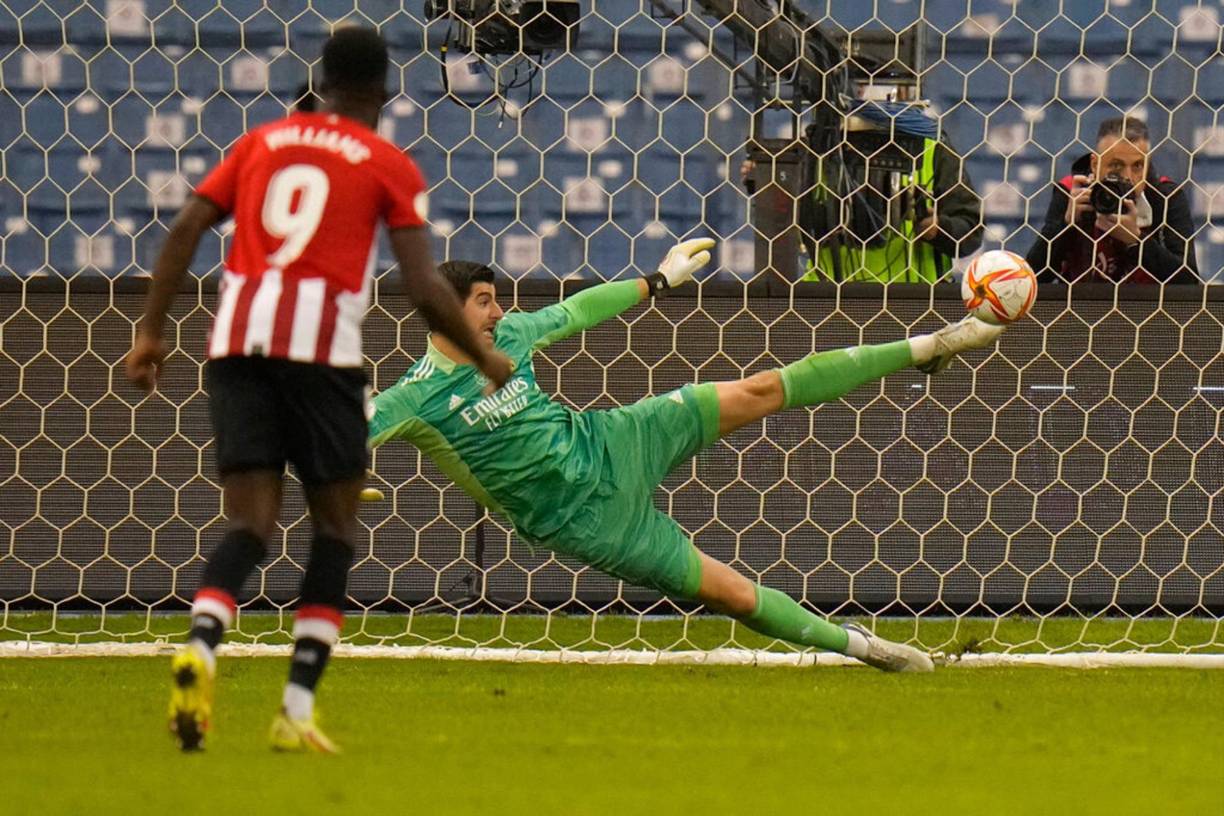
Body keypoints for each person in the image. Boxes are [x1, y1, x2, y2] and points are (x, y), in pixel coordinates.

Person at [125, 26, 512, 754]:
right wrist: (484, 360)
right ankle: (296, 707)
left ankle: (201, 648)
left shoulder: (259, 144)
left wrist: (150, 331)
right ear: (384, 94)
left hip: (236, 347)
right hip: (320, 357)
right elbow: (426, 288)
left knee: (248, 526)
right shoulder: (387, 162)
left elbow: (185, 227)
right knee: (332, 530)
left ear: (319, 82)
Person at [364, 239, 1008, 673]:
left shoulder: (509, 335)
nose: (500, 312)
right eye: (484, 302)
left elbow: (577, 309)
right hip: (586, 522)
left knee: (760, 389)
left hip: (615, 439)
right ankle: (868, 648)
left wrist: (657, 280)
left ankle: (932, 346)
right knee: (731, 594)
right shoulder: (414, 398)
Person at [1024, 116, 1199, 284]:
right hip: (1081, 310)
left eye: (1138, 166)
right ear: (1095, 164)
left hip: (1146, 312)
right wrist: (1066, 226)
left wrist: (1136, 241)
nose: (1128, 177)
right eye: (1116, 166)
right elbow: (1033, 277)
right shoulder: (1072, 192)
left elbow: (1189, 281)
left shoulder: (1165, 197)